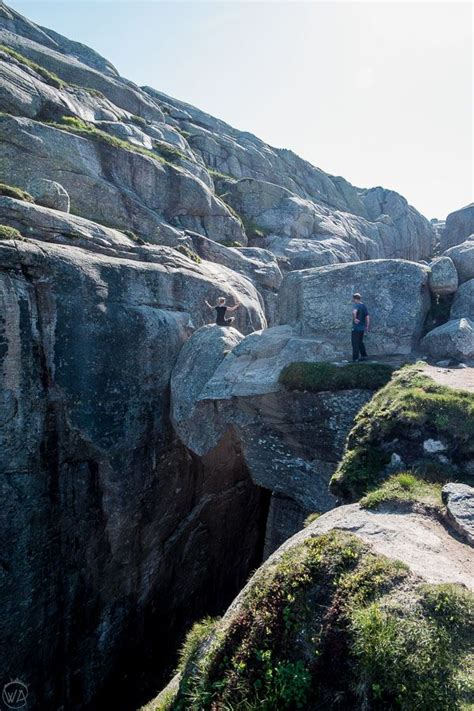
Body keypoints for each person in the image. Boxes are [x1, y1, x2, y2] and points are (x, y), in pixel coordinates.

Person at [351, 293, 370, 362]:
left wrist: (354, 318)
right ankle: (364, 356)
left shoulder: (357, 305)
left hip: (356, 328)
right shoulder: (364, 306)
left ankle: (355, 359)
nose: (353, 301)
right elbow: (367, 317)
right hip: (362, 329)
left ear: (355, 299)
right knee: (360, 342)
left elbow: (354, 312)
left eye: (353, 299)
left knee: (355, 343)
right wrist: (367, 326)